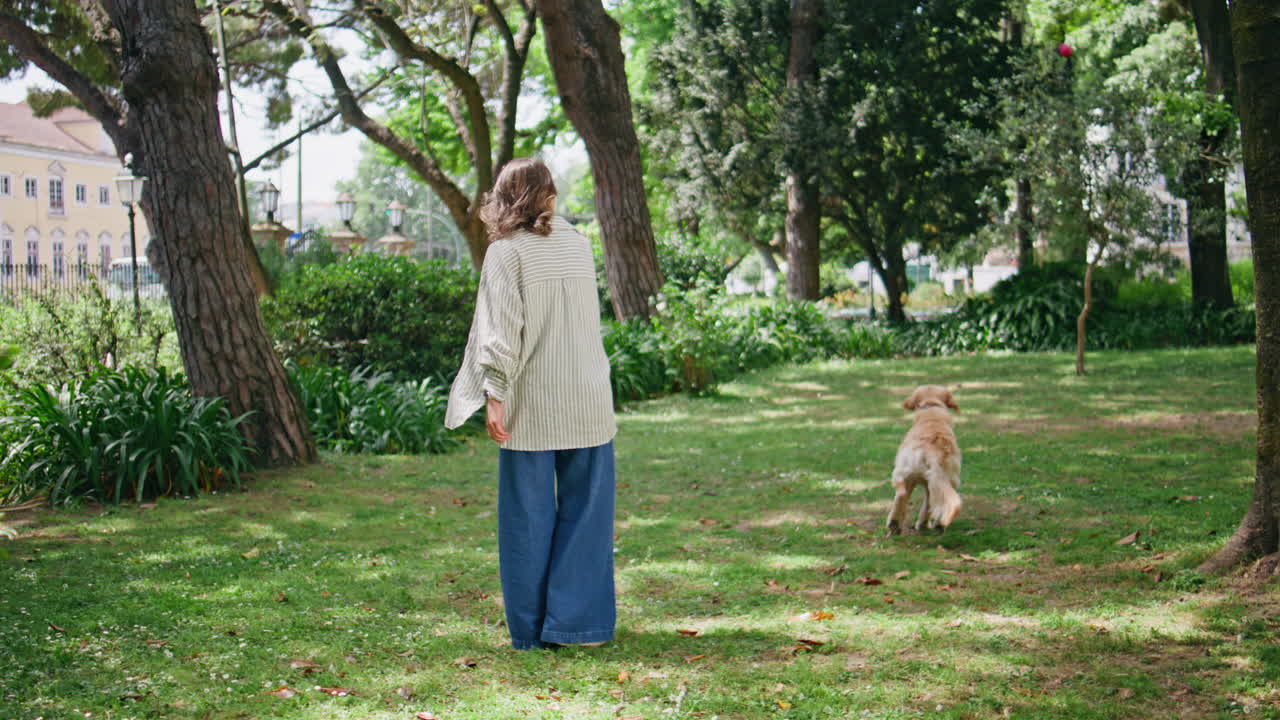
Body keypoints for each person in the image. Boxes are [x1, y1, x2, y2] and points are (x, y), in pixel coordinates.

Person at [445, 157, 617, 650]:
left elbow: (500, 332)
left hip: (533, 405)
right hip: (589, 399)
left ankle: (531, 633)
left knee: (527, 520)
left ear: (505, 198)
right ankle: (576, 625)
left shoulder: (506, 253)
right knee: (587, 517)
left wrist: (494, 396)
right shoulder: (581, 246)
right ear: (547, 195)